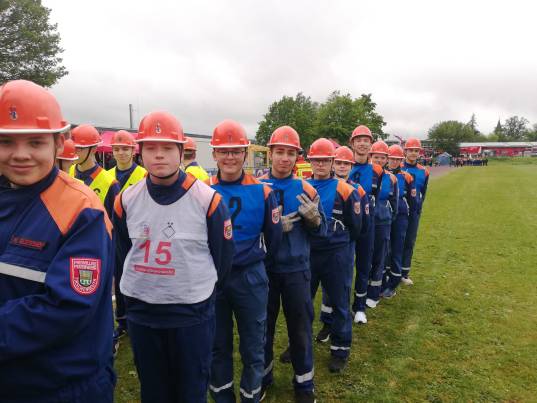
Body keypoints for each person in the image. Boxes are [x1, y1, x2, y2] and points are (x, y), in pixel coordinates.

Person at [0, 79, 115, 402]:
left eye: (35, 142)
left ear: (59, 143)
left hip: (61, 385)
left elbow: (67, 307)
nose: (20, 155)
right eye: (6, 142)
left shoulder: (81, 210)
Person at [113, 111, 234, 403]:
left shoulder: (208, 200)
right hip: (143, 313)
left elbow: (222, 261)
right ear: (140, 152)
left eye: (167, 147)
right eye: (151, 148)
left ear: (181, 151)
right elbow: (122, 256)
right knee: (153, 390)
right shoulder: (125, 200)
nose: (159, 155)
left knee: (191, 389)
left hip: (191, 314)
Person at [207, 120, 282, 403]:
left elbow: (274, 239)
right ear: (214, 154)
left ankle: (251, 395)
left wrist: (256, 266)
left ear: (245, 153)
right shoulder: (201, 190)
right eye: (223, 151)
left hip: (250, 276)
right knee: (217, 344)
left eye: (236, 151)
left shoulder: (263, 192)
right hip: (213, 278)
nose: (230, 157)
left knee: (253, 343)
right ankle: (222, 397)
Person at [259, 126, 326, 403]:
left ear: (297, 156)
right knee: (262, 329)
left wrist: (314, 220)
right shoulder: (257, 187)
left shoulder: (306, 188)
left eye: (290, 153)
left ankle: (304, 385)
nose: (285, 158)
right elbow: (245, 232)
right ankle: (263, 378)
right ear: (270, 153)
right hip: (264, 271)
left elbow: (321, 232)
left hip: (297, 270)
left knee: (300, 329)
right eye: (280, 152)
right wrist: (270, 230)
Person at [306, 138, 364, 373]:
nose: (320, 164)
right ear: (310, 161)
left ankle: (340, 350)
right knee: (302, 304)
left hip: (337, 254)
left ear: (332, 161)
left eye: (325, 160)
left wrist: (338, 241)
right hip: (309, 254)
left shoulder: (346, 190)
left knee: (340, 303)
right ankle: (298, 344)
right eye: (316, 160)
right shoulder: (303, 186)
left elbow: (357, 227)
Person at [106, 130, 147, 354]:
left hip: (137, 233)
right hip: (114, 234)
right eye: (117, 149)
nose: (121, 153)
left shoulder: (143, 174)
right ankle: (122, 320)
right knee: (118, 274)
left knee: (139, 275)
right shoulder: (107, 175)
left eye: (125, 149)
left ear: (133, 151)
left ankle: (139, 315)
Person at [347, 125, 384, 324]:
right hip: (345, 225)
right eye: (358, 140)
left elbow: (374, 198)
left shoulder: (378, 170)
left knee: (364, 265)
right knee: (343, 267)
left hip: (367, 225)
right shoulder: (343, 164)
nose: (362, 143)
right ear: (352, 143)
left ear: (371, 144)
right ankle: (340, 306)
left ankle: (359, 306)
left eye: (366, 140)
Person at [365, 141, 398, 309]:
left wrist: (387, 217)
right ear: (370, 156)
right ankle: (362, 289)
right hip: (365, 223)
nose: (379, 160)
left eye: (382, 157)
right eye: (376, 157)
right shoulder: (365, 173)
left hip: (382, 222)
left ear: (387, 159)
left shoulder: (391, 178)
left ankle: (374, 293)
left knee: (379, 258)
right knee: (365, 258)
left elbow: (395, 203)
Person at [382, 144, 416, 298]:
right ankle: (381, 279)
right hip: (385, 216)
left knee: (397, 248)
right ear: (387, 158)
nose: (394, 161)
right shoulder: (381, 174)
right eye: (391, 158)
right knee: (384, 249)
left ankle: (393, 283)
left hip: (401, 217)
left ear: (401, 160)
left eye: (397, 159)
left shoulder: (407, 177)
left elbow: (412, 200)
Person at [70, 124, 120, 219]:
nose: (74, 151)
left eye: (79, 148)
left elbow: (115, 223)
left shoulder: (110, 183)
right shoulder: (67, 172)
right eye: (73, 146)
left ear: (93, 149)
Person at [401, 138, 429, 285]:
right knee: (394, 242)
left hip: (413, 212)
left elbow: (423, 193)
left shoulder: (424, 172)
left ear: (419, 152)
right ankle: (390, 271)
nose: (413, 153)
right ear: (405, 151)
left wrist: (417, 208)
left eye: (416, 150)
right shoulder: (397, 167)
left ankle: (404, 273)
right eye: (410, 150)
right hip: (398, 211)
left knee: (409, 241)